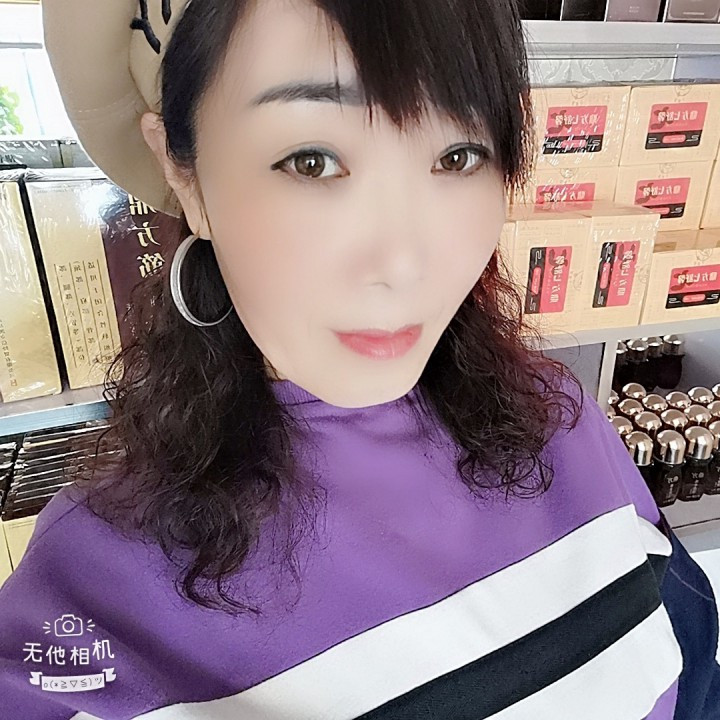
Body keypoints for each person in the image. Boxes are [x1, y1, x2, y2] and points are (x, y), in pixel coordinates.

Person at [0, 0, 719, 717]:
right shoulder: (98, 586)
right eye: (312, 162)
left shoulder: (556, 418)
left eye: (457, 156)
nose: (404, 263)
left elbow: (694, 675)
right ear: (183, 173)